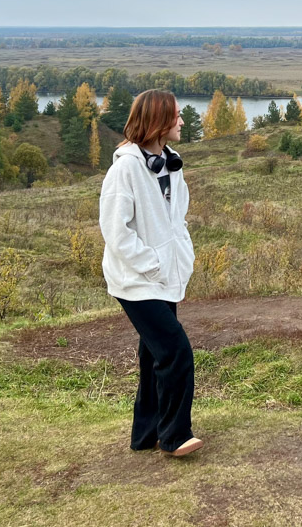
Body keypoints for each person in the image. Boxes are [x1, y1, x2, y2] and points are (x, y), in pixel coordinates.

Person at [98, 89, 201, 457]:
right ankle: (175, 436)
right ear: (158, 121)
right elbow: (115, 230)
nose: (182, 122)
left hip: (163, 279)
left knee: (152, 355)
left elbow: (178, 218)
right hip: (134, 280)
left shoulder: (171, 162)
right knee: (175, 351)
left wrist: (179, 257)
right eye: (176, 116)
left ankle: (146, 434)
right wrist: (151, 263)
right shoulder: (124, 169)